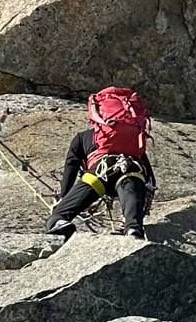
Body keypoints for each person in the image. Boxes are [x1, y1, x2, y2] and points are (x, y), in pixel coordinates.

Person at [47, 87, 156, 239]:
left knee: (57, 217)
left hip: (99, 174)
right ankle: (132, 228)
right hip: (131, 171)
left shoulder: (83, 137)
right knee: (132, 205)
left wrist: (64, 198)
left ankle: (59, 221)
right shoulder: (132, 142)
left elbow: (71, 168)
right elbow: (150, 179)